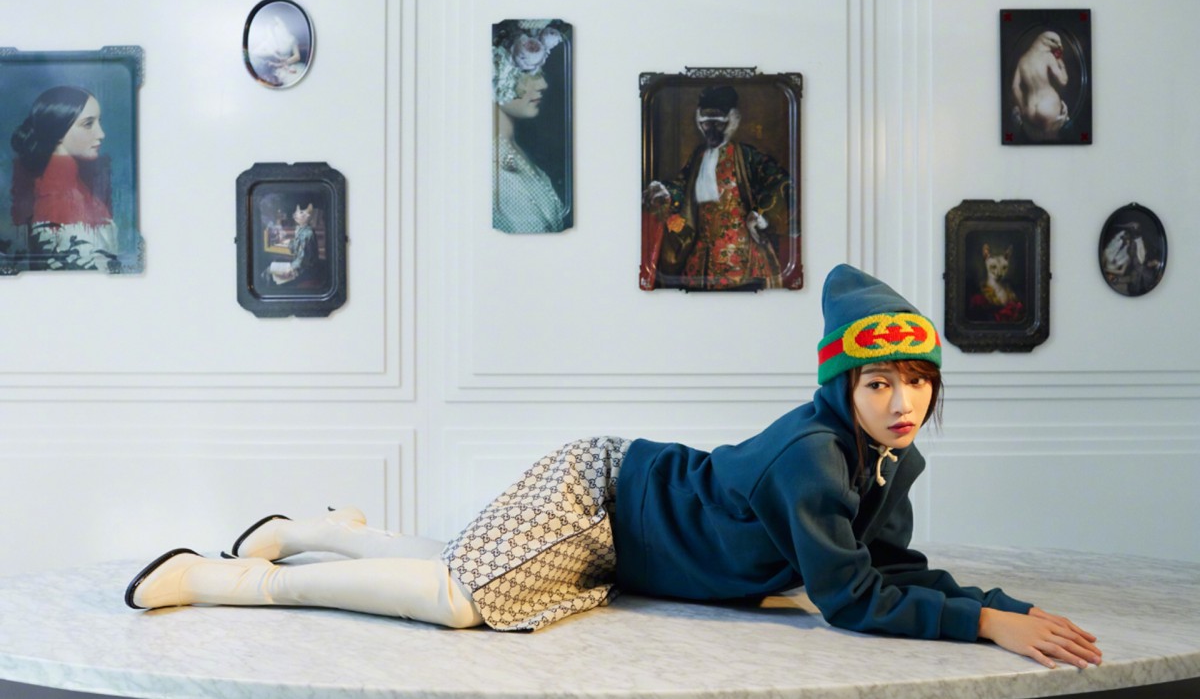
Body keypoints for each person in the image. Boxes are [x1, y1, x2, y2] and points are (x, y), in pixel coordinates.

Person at [126, 265, 1102, 670]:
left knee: (471, 563)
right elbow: (848, 600)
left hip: (631, 534)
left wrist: (998, 607)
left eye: (916, 382)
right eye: (879, 382)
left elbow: (885, 569)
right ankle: (232, 578)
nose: (900, 402)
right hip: (602, 494)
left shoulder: (888, 459)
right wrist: (983, 624)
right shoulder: (813, 456)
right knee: (464, 598)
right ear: (841, 386)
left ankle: (310, 530)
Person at [643, 85, 792, 290]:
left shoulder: (747, 156)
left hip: (743, 262)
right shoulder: (698, 157)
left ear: (732, 120)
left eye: (718, 124)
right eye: (706, 124)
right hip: (700, 261)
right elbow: (682, 186)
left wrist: (762, 215)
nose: (711, 131)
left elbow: (781, 182)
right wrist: (665, 191)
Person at [8, 85, 119, 271]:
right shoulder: (56, 199)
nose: (101, 134)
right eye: (88, 124)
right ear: (57, 130)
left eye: (98, 122)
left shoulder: (76, 188)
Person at [491, 19, 570, 234]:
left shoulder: (512, 149)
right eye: (528, 73)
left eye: (540, 73)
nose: (543, 84)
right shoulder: (489, 165)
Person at [1010, 30, 1070, 142]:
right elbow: (1063, 80)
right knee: (1052, 141)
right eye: (1055, 42)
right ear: (1043, 40)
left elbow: (1015, 87)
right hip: (1048, 103)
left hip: (1030, 108)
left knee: (1036, 142)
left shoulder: (1023, 59)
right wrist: (1061, 64)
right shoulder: (1048, 56)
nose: (1059, 46)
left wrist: (1023, 108)